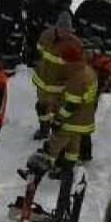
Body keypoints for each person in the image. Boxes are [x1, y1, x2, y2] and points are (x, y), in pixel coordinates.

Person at [42, 41, 98, 172]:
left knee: (55, 143)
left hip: (72, 120)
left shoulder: (76, 77)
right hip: (84, 120)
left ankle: (42, 169)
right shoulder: (88, 70)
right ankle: (67, 170)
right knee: (73, 147)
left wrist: (58, 119)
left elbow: (71, 105)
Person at [30, 12, 81, 140]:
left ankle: (57, 135)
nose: (64, 33)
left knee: (59, 113)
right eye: (62, 29)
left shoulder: (75, 44)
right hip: (42, 83)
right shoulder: (46, 36)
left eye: (67, 30)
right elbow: (39, 52)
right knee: (42, 108)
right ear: (57, 27)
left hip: (59, 88)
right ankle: (44, 129)